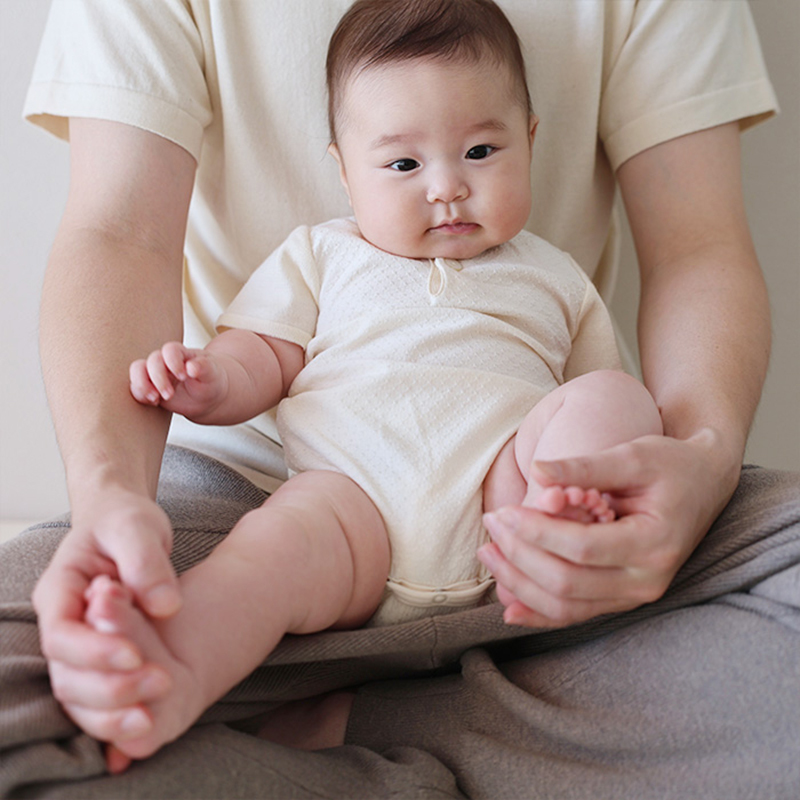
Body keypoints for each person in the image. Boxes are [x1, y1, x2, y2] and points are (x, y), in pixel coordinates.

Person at [3, 0, 796, 797]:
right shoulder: (322, 255)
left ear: (532, 141)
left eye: (481, 151)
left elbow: (604, 383)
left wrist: (676, 465)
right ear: (343, 170)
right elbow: (258, 352)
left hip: (514, 526)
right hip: (339, 507)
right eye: (404, 166)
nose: (448, 187)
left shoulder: (552, 274)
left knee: (617, 399)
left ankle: (344, 730)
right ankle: (180, 669)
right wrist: (206, 387)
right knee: (257, 565)